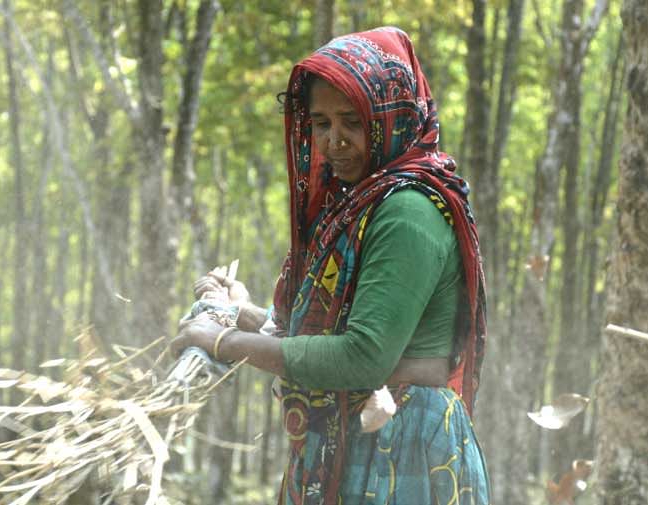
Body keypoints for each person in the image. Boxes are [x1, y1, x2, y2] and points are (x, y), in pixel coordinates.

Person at [171, 26, 490, 505]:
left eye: (352, 122)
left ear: (392, 117)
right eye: (321, 123)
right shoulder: (362, 202)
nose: (333, 141)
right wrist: (242, 314)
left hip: (401, 451)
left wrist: (224, 342)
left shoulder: (407, 210)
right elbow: (331, 334)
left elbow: (364, 356)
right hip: (360, 440)